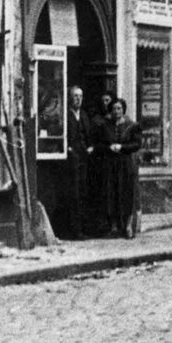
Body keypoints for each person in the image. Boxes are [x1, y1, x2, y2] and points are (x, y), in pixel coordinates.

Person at [92, 97, 141, 238]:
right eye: (114, 108)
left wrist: (122, 147)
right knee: (111, 194)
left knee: (126, 194)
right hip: (111, 164)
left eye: (119, 108)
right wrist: (109, 147)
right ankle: (113, 226)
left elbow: (136, 144)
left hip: (126, 164)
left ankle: (127, 226)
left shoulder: (132, 126)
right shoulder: (105, 126)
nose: (116, 111)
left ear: (123, 109)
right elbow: (98, 144)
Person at [65, 85, 95, 239]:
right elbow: (43, 117)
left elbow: (89, 134)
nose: (78, 99)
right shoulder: (65, 114)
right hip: (71, 160)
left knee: (83, 193)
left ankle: (83, 229)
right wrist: (67, 148)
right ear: (69, 98)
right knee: (73, 194)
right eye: (75, 96)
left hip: (84, 159)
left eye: (80, 96)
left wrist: (90, 147)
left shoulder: (83, 115)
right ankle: (74, 230)